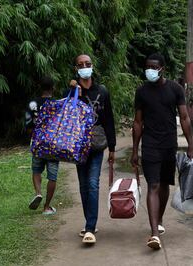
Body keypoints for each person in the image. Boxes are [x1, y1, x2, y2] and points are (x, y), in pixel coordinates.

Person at [131, 53, 193, 250]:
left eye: (153, 67)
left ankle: (158, 220)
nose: (149, 70)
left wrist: (191, 145)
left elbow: (184, 117)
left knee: (165, 185)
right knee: (153, 185)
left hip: (169, 144)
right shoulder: (141, 91)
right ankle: (154, 233)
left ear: (162, 69)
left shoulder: (175, 89)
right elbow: (138, 122)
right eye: (147, 66)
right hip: (150, 144)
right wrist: (135, 150)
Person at [70, 54, 116, 244]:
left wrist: (112, 147)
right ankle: (90, 222)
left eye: (87, 64)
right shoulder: (72, 90)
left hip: (97, 144)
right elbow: (68, 116)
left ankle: (90, 227)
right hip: (79, 144)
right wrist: (75, 95)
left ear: (92, 66)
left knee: (92, 183)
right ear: (76, 69)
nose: (84, 67)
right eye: (81, 65)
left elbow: (108, 119)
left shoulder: (102, 91)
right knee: (83, 185)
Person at [27, 76, 59, 215]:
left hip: (38, 142)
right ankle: (46, 207)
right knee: (52, 176)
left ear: (41, 87)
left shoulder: (32, 103)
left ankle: (38, 193)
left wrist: (35, 136)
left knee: (36, 170)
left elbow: (28, 125)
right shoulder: (57, 104)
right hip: (53, 145)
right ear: (53, 88)